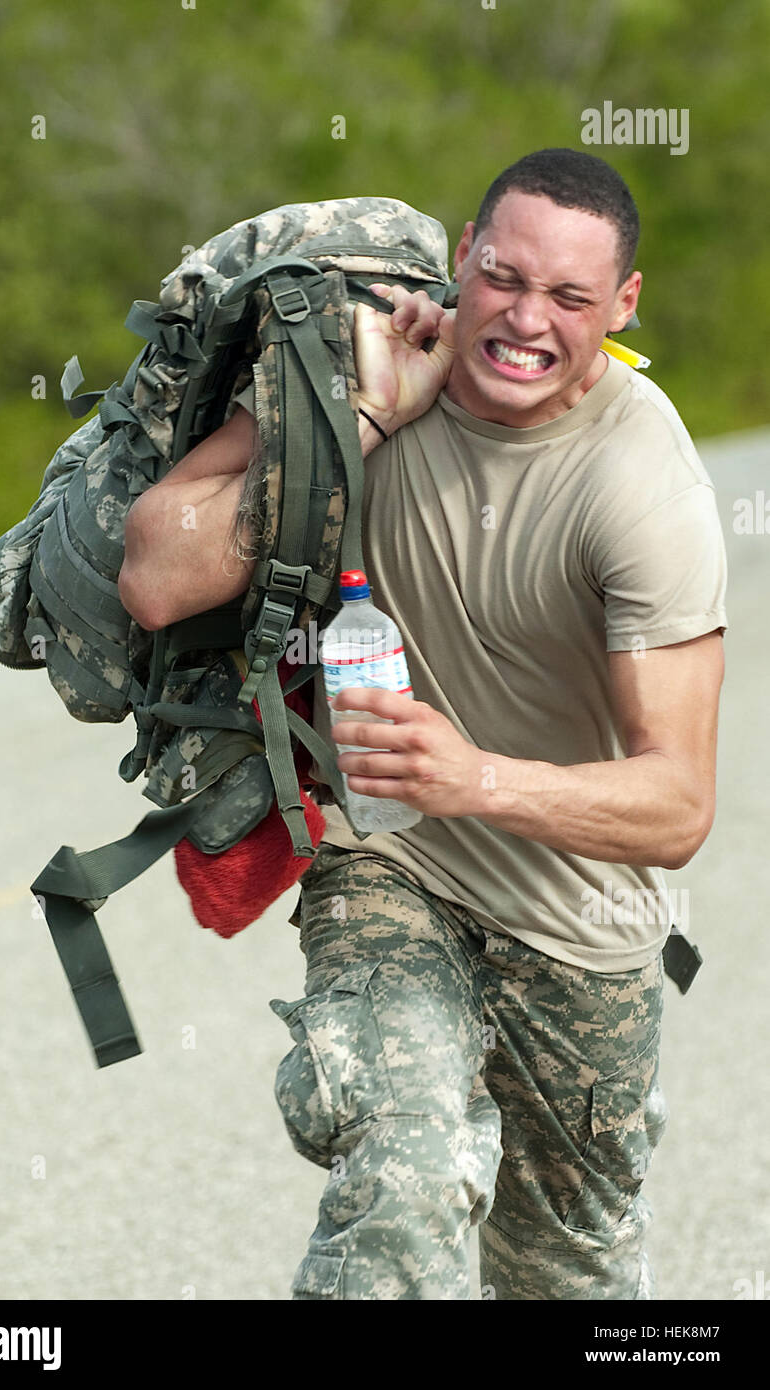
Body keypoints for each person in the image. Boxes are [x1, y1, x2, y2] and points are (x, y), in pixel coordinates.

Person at [118, 148, 727, 1300]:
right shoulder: (364, 365)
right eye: (502, 278)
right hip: (385, 867)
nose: (522, 321)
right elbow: (154, 574)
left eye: (568, 298)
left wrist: (478, 778)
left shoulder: (644, 485)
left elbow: (677, 804)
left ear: (624, 305)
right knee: (402, 1180)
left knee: (569, 1284)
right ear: (462, 254)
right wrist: (353, 421)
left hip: (576, 928)